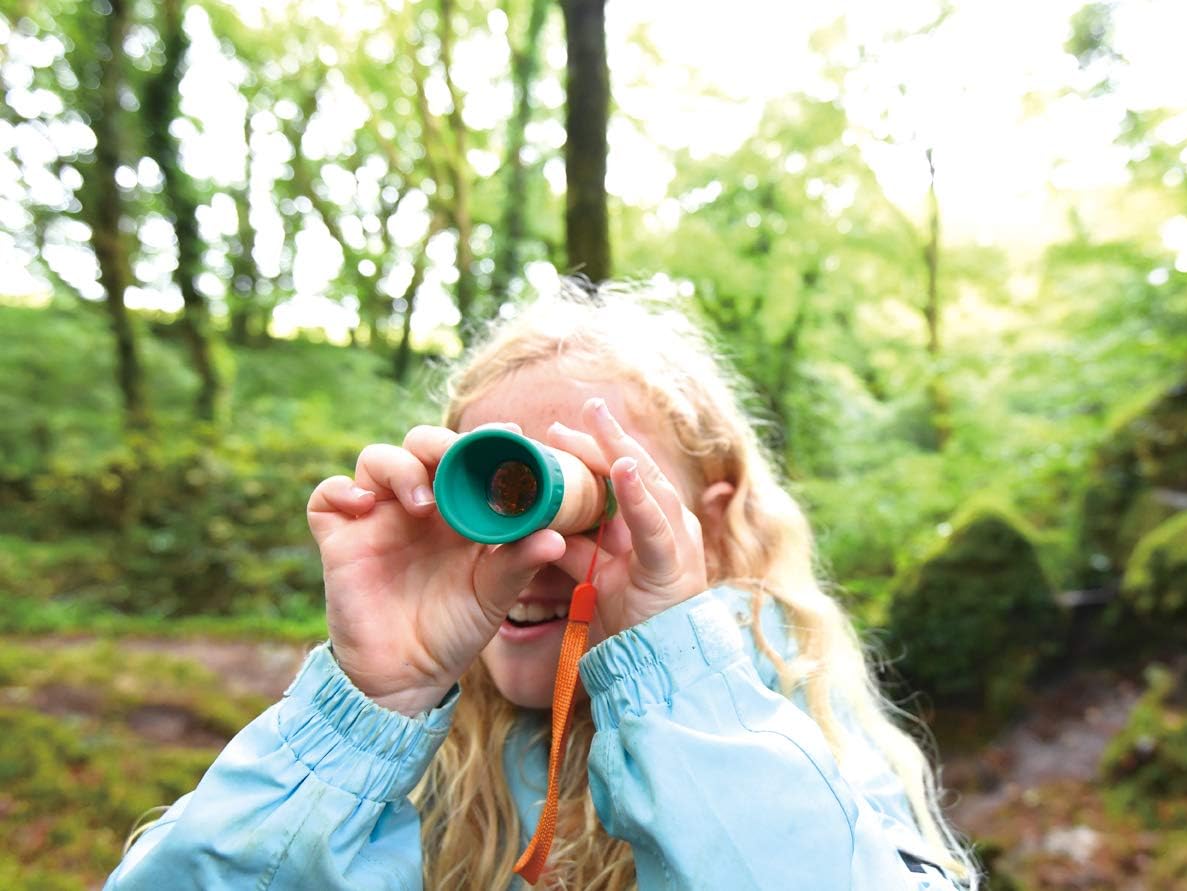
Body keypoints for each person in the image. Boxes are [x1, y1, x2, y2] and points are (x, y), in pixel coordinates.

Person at [107, 280, 977, 890]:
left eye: (592, 500)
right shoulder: (417, 749)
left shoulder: (787, 707)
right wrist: (368, 706)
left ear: (708, 524)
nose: (538, 549)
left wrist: (679, 681)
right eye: (499, 495)